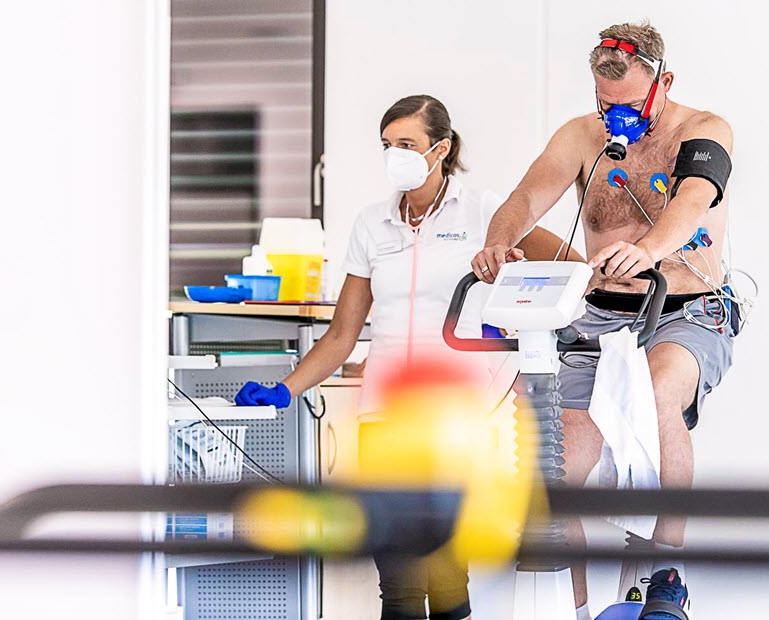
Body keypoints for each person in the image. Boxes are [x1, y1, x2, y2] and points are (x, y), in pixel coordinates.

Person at [235, 94, 582, 620]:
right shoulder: (372, 224)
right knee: (397, 587)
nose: (395, 155)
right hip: (387, 420)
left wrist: (510, 308)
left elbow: (569, 263)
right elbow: (341, 336)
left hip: (462, 416)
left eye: (407, 144)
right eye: (387, 145)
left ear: (440, 148)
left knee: (446, 581)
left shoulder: (485, 211)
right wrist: (286, 387)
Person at [471, 22, 737, 620]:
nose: (613, 115)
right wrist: (498, 242)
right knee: (560, 456)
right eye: (603, 102)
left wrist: (648, 250)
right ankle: (576, 601)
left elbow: (694, 199)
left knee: (657, 392)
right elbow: (524, 198)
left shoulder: (702, 132)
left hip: (683, 308)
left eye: (627, 103)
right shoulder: (583, 135)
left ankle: (667, 570)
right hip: (597, 314)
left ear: (663, 82)